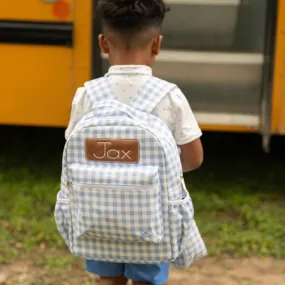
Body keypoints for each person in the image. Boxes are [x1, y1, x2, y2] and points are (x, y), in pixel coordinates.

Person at [65, 0, 204, 284]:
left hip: (98, 215)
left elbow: (75, 152)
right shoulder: (169, 96)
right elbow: (193, 158)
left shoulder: (87, 95)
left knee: (108, 280)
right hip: (152, 219)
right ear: (157, 44)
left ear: (103, 44)